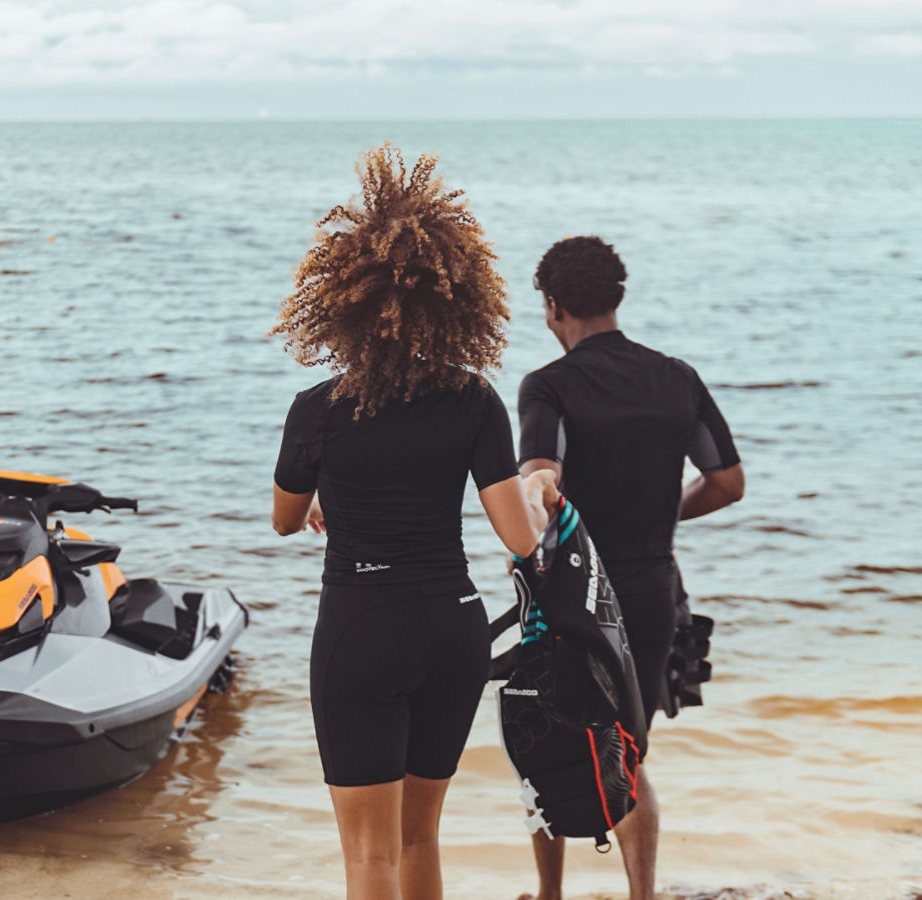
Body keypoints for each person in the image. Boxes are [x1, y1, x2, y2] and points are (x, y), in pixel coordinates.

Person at [270, 144, 559, 900]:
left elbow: (284, 517)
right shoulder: (474, 398)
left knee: (367, 854)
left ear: (342, 302)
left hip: (362, 625)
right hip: (452, 628)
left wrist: (328, 498)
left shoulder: (316, 411)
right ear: (452, 300)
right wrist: (539, 488)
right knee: (419, 838)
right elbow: (518, 537)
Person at [516, 236, 745, 900]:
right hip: (648, 592)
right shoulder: (678, 378)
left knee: (546, 742)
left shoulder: (548, 386)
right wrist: (662, 516)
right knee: (629, 748)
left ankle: (551, 896)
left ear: (552, 306)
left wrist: (541, 501)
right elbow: (728, 482)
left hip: (571, 595)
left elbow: (540, 474)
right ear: (616, 297)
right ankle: (642, 895)